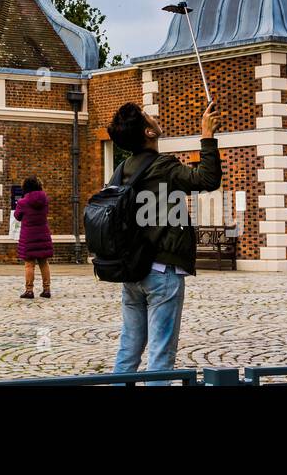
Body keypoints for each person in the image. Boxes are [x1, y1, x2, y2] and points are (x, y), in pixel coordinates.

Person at [110, 99, 222, 378]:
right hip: (162, 271)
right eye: (149, 118)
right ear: (149, 133)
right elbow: (207, 179)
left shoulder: (122, 170)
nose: (154, 119)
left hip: (132, 272)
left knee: (129, 348)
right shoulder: (163, 167)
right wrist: (207, 136)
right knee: (161, 355)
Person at [14, 176, 53, 299]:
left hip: (29, 236)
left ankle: (29, 290)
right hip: (43, 234)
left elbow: (17, 216)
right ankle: (46, 289)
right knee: (44, 263)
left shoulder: (22, 202)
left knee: (29, 264)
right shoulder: (45, 200)